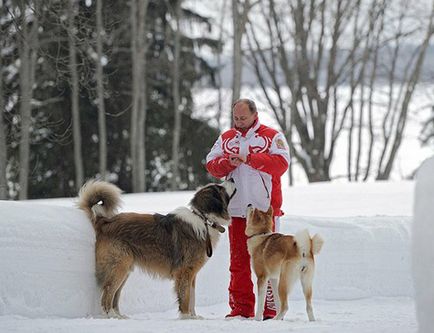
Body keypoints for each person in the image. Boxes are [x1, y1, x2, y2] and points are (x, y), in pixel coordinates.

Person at [206, 98, 290, 320]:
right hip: (235, 209)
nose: (239, 122)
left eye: (243, 118)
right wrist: (228, 164)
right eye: (236, 117)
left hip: (265, 212)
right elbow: (211, 164)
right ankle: (241, 309)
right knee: (238, 262)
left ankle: (271, 309)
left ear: (255, 115)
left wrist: (250, 159)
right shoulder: (226, 138)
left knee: (269, 261)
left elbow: (281, 164)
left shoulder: (272, 136)